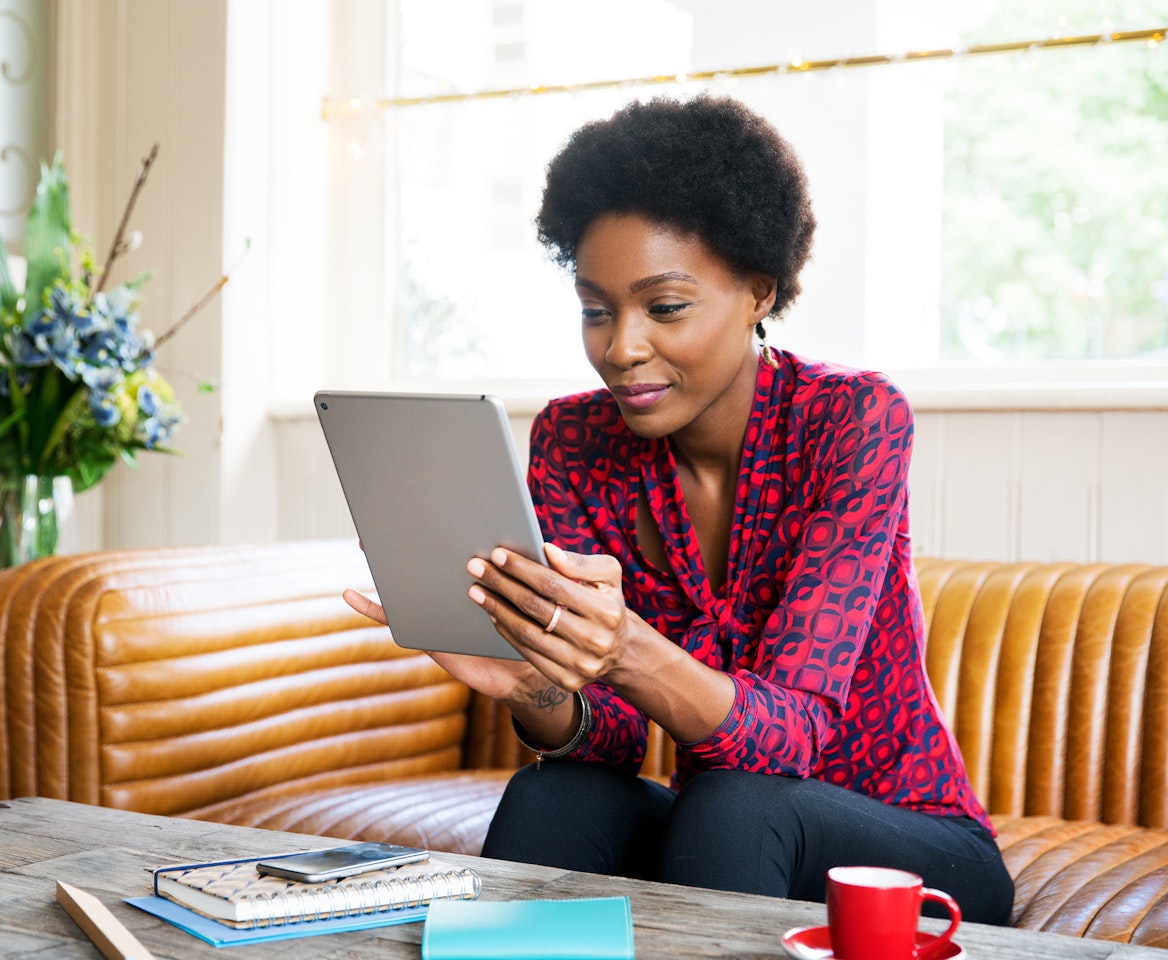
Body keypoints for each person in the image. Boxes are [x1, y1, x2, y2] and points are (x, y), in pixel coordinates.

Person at [345, 94, 1014, 924]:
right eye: (596, 309)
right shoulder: (573, 440)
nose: (621, 349)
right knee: (562, 796)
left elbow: (792, 737)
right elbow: (618, 738)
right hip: (728, 835)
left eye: (665, 307)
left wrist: (622, 647)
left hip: (910, 846)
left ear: (759, 292)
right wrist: (540, 689)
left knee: (738, 800)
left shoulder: (852, 420)